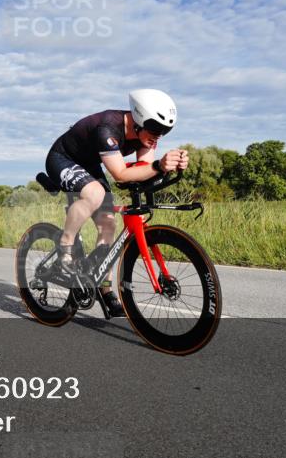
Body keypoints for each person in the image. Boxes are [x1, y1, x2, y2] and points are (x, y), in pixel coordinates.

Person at [44, 89, 189, 317]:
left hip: (91, 164)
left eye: (165, 131)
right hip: (63, 158)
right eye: (155, 129)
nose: (158, 136)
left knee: (108, 223)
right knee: (94, 194)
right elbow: (121, 174)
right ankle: (66, 245)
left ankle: (104, 286)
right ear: (139, 119)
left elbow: (144, 172)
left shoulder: (147, 137)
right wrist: (158, 166)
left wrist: (170, 167)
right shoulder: (108, 128)